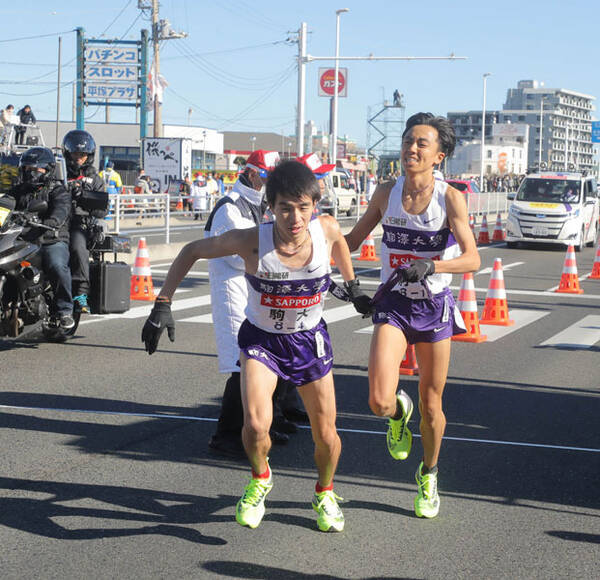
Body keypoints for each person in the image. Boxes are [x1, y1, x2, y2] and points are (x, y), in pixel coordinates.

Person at [142, 160, 373, 531]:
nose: (294, 218)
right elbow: (191, 251)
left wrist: (355, 285)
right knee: (255, 424)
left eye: (302, 207)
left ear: (315, 205)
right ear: (271, 207)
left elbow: (341, 245)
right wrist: (163, 304)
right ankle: (260, 478)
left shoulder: (325, 228)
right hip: (262, 341)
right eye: (285, 208)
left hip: (308, 341)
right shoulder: (252, 240)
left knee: (327, 434)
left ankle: (325, 491)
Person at [345, 112, 480, 519]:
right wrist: (347, 283)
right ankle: (396, 414)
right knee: (377, 400)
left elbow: (473, 258)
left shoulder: (450, 198)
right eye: (408, 141)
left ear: (439, 156)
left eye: (422, 143)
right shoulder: (386, 193)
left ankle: (429, 473)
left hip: (434, 307)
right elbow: (349, 241)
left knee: (433, 405)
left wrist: (434, 266)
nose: (412, 148)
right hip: (395, 304)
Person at [200, 150, 289, 458]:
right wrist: (267, 257)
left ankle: (262, 424)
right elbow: (232, 256)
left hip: (253, 291)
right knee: (241, 366)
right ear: (252, 173)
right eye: (266, 176)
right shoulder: (230, 207)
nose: (269, 182)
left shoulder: (258, 204)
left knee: (263, 362)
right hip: (232, 292)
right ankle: (226, 434)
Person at [8, 147, 74, 329]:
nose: (32, 173)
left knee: (56, 265)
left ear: (48, 170)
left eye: (37, 169)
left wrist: (53, 221)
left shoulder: (57, 190)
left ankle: (65, 310)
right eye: (28, 169)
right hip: (23, 238)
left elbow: (62, 208)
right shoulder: (18, 191)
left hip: (51, 238)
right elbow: (4, 205)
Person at [62, 130, 108, 313]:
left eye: (82, 155)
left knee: (77, 246)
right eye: (75, 154)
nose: (79, 158)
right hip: (53, 221)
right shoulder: (58, 173)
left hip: (80, 223)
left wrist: (84, 197)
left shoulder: (95, 179)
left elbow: (102, 210)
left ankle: (81, 292)